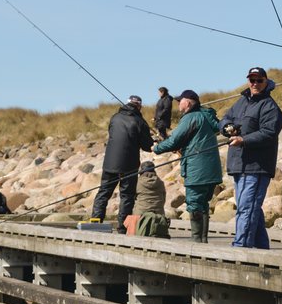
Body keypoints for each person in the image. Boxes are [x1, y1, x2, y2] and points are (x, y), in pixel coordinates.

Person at [219, 67, 282, 249]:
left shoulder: (269, 106)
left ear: (266, 82)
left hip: (256, 167)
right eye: (252, 80)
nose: (255, 84)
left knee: (247, 208)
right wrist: (227, 127)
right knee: (248, 207)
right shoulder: (241, 101)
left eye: (259, 80)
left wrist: (243, 140)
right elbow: (225, 118)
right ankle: (262, 247)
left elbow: (269, 133)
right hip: (239, 164)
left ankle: (241, 247)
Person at [153, 89, 223, 243]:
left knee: (194, 204)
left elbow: (174, 140)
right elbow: (194, 138)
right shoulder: (206, 115)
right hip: (212, 170)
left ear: (189, 102)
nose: (178, 103)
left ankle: (196, 242)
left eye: (180, 101)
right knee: (203, 204)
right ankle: (202, 241)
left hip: (197, 169)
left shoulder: (190, 117)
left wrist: (156, 148)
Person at [90, 96, 154, 233]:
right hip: (129, 164)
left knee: (104, 192)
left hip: (110, 162)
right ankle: (122, 228)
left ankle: (95, 223)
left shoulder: (115, 117)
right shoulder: (140, 121)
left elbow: (112, 133)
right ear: (139, 106)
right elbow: (147, 146)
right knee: (127, 196)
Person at [131, 161, 170, 238]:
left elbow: (132, 197)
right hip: (158, 215)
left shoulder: (138, 182)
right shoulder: (160, 182)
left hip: (140, 215)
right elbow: (163, 198)